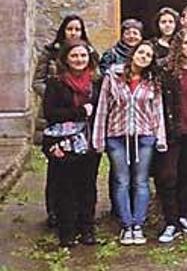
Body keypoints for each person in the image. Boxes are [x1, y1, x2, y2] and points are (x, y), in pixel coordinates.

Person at [93, 41, 167, 245]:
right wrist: (99, 139)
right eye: (141, 52)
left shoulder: (152, 80)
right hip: (117, 136)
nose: (144, 57)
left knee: (141, 181)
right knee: (121, 180)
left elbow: (157, 111)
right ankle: (126, 225)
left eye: (149, 55)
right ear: (133, 54)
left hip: (144, 136)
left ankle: (138, 225)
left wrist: (160, 138)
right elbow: (102, 108)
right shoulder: (113, 77)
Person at [33, 15, 100, 229]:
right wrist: (60, 94)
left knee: (85, 180)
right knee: (58, 176)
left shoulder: (91, 65)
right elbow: (38, 82)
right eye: (70, 29)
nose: (74, 32)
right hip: (59, 129)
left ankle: (83, 221)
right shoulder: (51, 56)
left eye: (78, 29)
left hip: (86, 134)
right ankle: (56, 215)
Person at [155, 29, 187, 243]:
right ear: (178, 45)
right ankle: (170, 221)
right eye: (186, 43)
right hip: (171, 132)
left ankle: (183, 215)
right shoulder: (166, 71)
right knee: (168, 177)